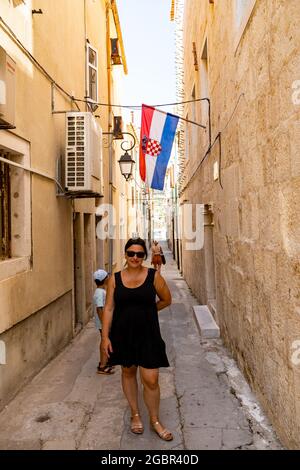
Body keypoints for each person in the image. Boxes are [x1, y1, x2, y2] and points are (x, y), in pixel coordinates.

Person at [101, 238, 173, 441]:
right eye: (131, 253)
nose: (135, 257)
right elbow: (108, 308)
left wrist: (148, 312)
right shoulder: (114, 279)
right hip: (123, 333)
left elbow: (167, 300)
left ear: (144, 256)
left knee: (151, 379)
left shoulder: (153, 276)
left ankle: (155, 420)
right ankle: (135, 414)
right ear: (125, 254)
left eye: (139, 254)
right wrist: (105, 337)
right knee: (128, 371)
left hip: (148, 333)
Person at [93, 269, 114, 375]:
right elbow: (99, 309)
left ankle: (107, 361)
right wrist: (105, 323)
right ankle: (102, 366)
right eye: (107, 276)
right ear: (105, 279)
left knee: (106, 341)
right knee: (104, 342)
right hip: (103, 323)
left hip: (103, 323)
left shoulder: (101, 291)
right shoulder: (100, 293)